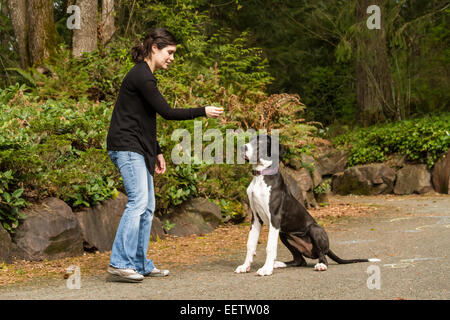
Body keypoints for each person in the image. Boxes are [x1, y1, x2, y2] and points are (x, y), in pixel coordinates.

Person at [106, 27, 223, 282]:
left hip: (138, 146)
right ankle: (119, 263)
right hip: (126, 146)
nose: (172, 57)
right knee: (138, 203)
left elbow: (146, 120)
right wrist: (202, 110)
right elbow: (167, 112)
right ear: (155, 48)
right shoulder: (142, 76)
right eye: (169, 52)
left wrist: (157, 151)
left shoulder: (146, 76)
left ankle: (138, 263)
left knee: (147, 207)